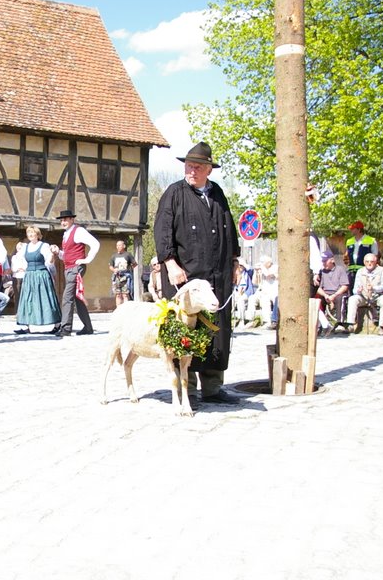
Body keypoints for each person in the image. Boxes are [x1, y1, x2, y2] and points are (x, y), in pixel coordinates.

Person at [153, 141, 240, 404]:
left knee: (217, 331)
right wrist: (170, 263)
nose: (191, 170)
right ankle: (186, 388)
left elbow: (230, 230)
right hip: (186, 278)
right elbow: (162, 230)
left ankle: (213, 387)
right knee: (185, 332)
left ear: (209, 170)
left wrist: (235, 262)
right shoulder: (174, 193)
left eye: (198, 167)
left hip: (217, 278)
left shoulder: (218, 194)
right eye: (189, 165)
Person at [51, 210, 99, 336]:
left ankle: (66, 328)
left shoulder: (78, 231)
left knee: (67, 297)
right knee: (77, 298)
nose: (63, 222)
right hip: (69, 268)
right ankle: (88, 327)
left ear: (72, 219)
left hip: (76, 268)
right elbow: (66, 256)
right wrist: (58, 252)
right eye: (61, 220)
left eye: (66, 219)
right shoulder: (66, 234)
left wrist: (87, 259)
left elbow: (95, 244)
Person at [14, 226, 60, 334]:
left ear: (37, 234)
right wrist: (22, 269)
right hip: (29, 275)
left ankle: (57, 324)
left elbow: (49, 261)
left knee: (46, 298)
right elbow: (19, 259)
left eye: (32, 232)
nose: (30, 235)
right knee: (27, 299)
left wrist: (52, 256)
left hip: (41, 274)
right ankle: (26, 325)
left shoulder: (43, 246)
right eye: (29, 232)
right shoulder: (25, 247)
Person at [345, 253, 383, 334]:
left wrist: (374, 288)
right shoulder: (360, 271)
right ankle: (350, 325)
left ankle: (382, 326)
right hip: (364, 296)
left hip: (377, 296)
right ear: (364, 262)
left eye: (372, 261)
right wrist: (359, 290)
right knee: (352, 299)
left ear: (376, 262)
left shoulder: (382, 270)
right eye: (367, 261)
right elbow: (355, 290)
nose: (369, 263)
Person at [315, 251, 349, 335]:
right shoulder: (321, 272)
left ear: (332, 260)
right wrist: (326, 295)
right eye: (322, 261)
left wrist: (334, 295)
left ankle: (340, 323)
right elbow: (318, 288)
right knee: (316, 299)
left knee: (340, 298)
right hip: (325, 294)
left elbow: (345, 286)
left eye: (325, 261)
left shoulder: (340, 269)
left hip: (337, 293)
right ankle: (320, 325)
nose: (323, 263)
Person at [344, 221, 379, 289]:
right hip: (352, 271)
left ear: (359, 229)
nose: (351, 230)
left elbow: (375, 257)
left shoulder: (371, 240)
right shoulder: (349, 241)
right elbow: (346, 255)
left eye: (353, 229)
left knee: (364, 290)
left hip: (365, 271)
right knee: (351, 290)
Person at [108, 239, 136, 306]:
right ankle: (118, 309)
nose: (118, 247)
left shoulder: (128, 255)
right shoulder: (114, 256)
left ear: (124, 246)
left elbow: (134, 264)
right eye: (117, 245)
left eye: (119, 245)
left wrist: (129, 271)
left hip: (126, 277)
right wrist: (114, 270)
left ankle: (125, 310)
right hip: (117, 277)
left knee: (125, 294)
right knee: (118, 294)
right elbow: (110, 266)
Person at [254, 254, 279, 328]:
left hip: (274, 291)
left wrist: (262, 268)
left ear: (268, 262)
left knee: (275, 300)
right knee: (264, 300)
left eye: (263, 262)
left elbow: (268, 275)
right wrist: (256, 272)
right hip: (264, 292)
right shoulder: (262, 270)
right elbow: (254, 282)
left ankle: (274, 321)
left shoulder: (275, 267)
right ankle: (267, 321)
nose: (262, 263)